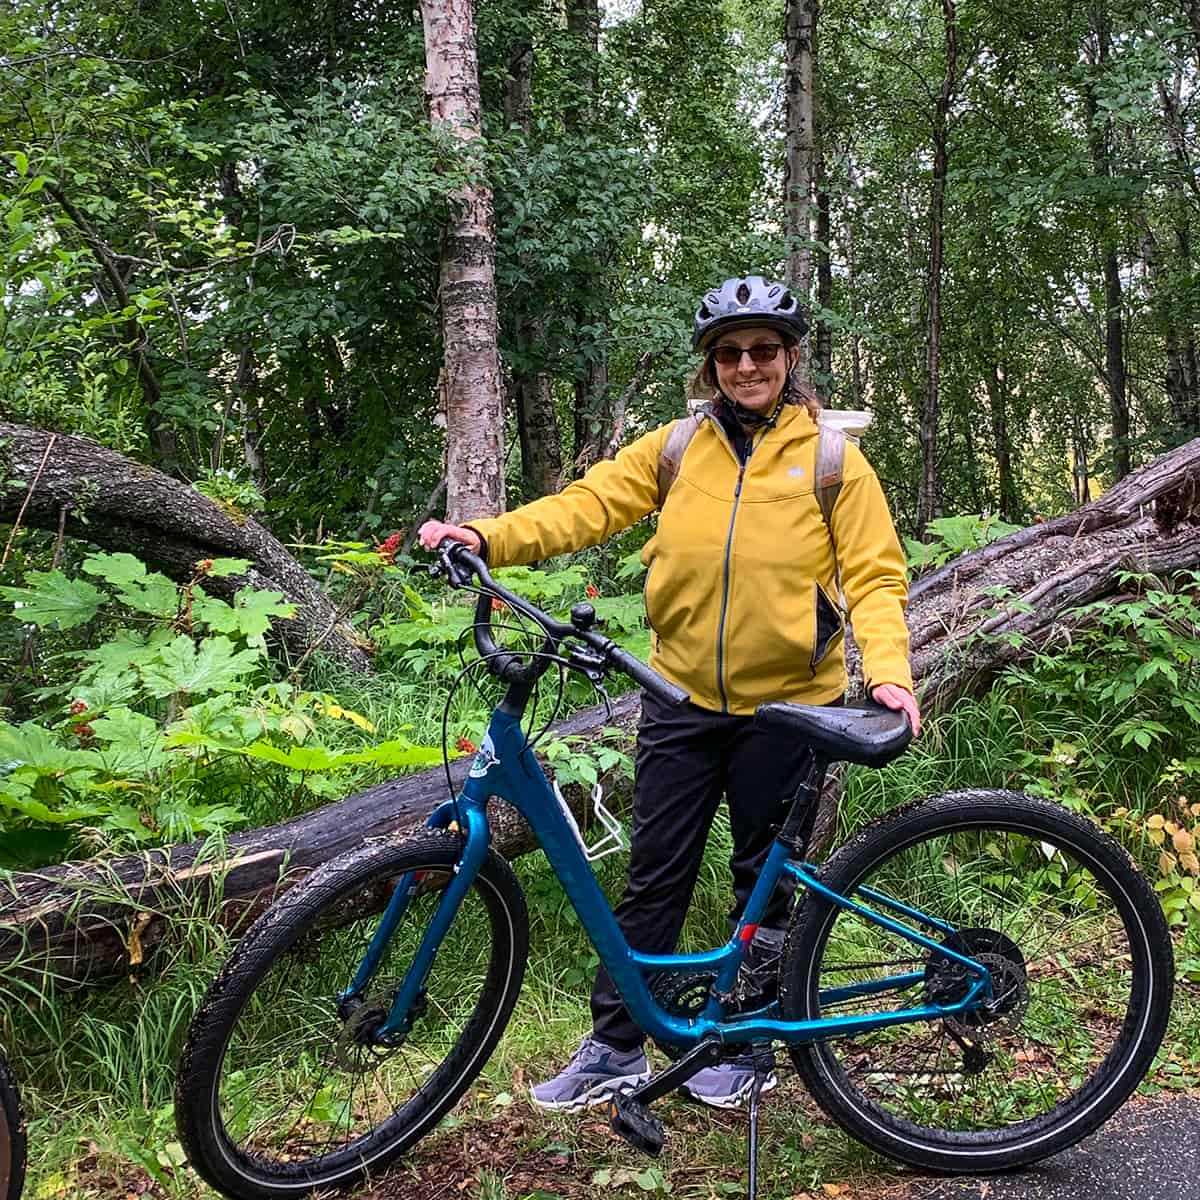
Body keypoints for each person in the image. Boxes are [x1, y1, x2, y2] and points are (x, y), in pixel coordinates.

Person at [419, 275, 920, 1111]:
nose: (747, 365)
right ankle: (616, 1046)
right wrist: (487, 537)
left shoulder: (833, 461)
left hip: (792, 704)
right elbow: (586, 507)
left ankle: (749, 1043)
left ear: (790, 359)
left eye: (763, 350)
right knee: (655, 875)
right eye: (730, 353)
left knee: (766, 876)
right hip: (680, 696)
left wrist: (893, 672)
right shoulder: (678, 448)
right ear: (712, 365)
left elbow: (875, 575)